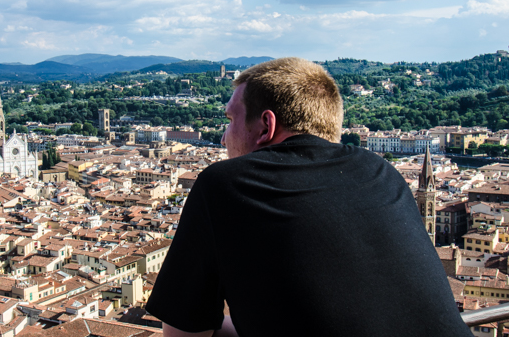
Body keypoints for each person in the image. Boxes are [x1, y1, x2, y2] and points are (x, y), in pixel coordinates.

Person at [145, 58, 472, 337]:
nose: (223, 135)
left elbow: (185, 333)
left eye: (230, 120)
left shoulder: (223, 184)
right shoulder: (382, 172)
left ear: (265, 126)